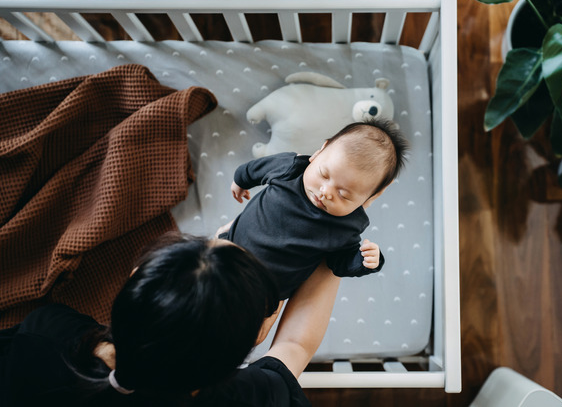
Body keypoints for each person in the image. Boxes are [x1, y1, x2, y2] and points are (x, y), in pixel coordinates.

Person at [0, 233, 339, 406]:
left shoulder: (44, 334)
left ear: (134, 279)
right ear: (258, 335)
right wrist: (339, 243)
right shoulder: (250, 396)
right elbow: (294, 345)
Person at [217, 119, 409, 301]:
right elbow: (256, 169)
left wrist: (363, 260)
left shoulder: (346, 227)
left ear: (369, 200)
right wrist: (240, 180)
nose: (326, 192)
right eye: (324, 175)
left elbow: (340, 263)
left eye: (343, 194)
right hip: (231, 246)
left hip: (264, 289)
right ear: (319, 152)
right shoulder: (290, 168)